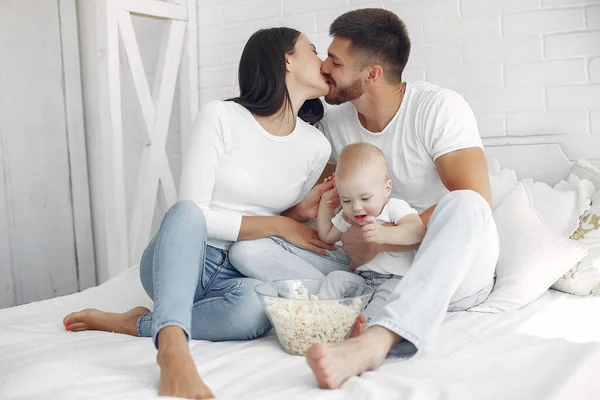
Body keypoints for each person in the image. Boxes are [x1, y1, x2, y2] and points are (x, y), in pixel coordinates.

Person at [61, 27, 341, 400]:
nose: (323, 61)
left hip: (240, 270)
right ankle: (174, 355)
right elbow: (196, 213)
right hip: (186, 255)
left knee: (257, 309)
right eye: (313, 49)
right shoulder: (221, 117)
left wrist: (295, 212)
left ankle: (141, 322)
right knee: (186, 212)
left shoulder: (316, 145)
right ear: (287, 59)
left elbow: (258, 209)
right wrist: (281, 223)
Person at [303, 8, 500, 389]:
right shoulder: (335, 124)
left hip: (452, 273)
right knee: (258, 251)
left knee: (467, 203)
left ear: (371, 73)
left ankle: (380, 340)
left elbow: (478, 199)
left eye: (335, 60)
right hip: (376, 275)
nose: (323, 67)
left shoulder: (438, 109)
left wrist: (385, 236)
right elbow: (323, 205)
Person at [316, 142, 425, 321]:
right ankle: (320, 317)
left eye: (365, 198)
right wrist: (326, 203)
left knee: (386, 298)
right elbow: (326, 235)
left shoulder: (393, 207)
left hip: (395, 279)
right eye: (347, 200)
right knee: (336, 278)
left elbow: (417, 231)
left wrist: (383, 234)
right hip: (362, 280)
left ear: (386, 189)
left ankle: (366, 327)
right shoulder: (348, 215)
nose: (356, 207)